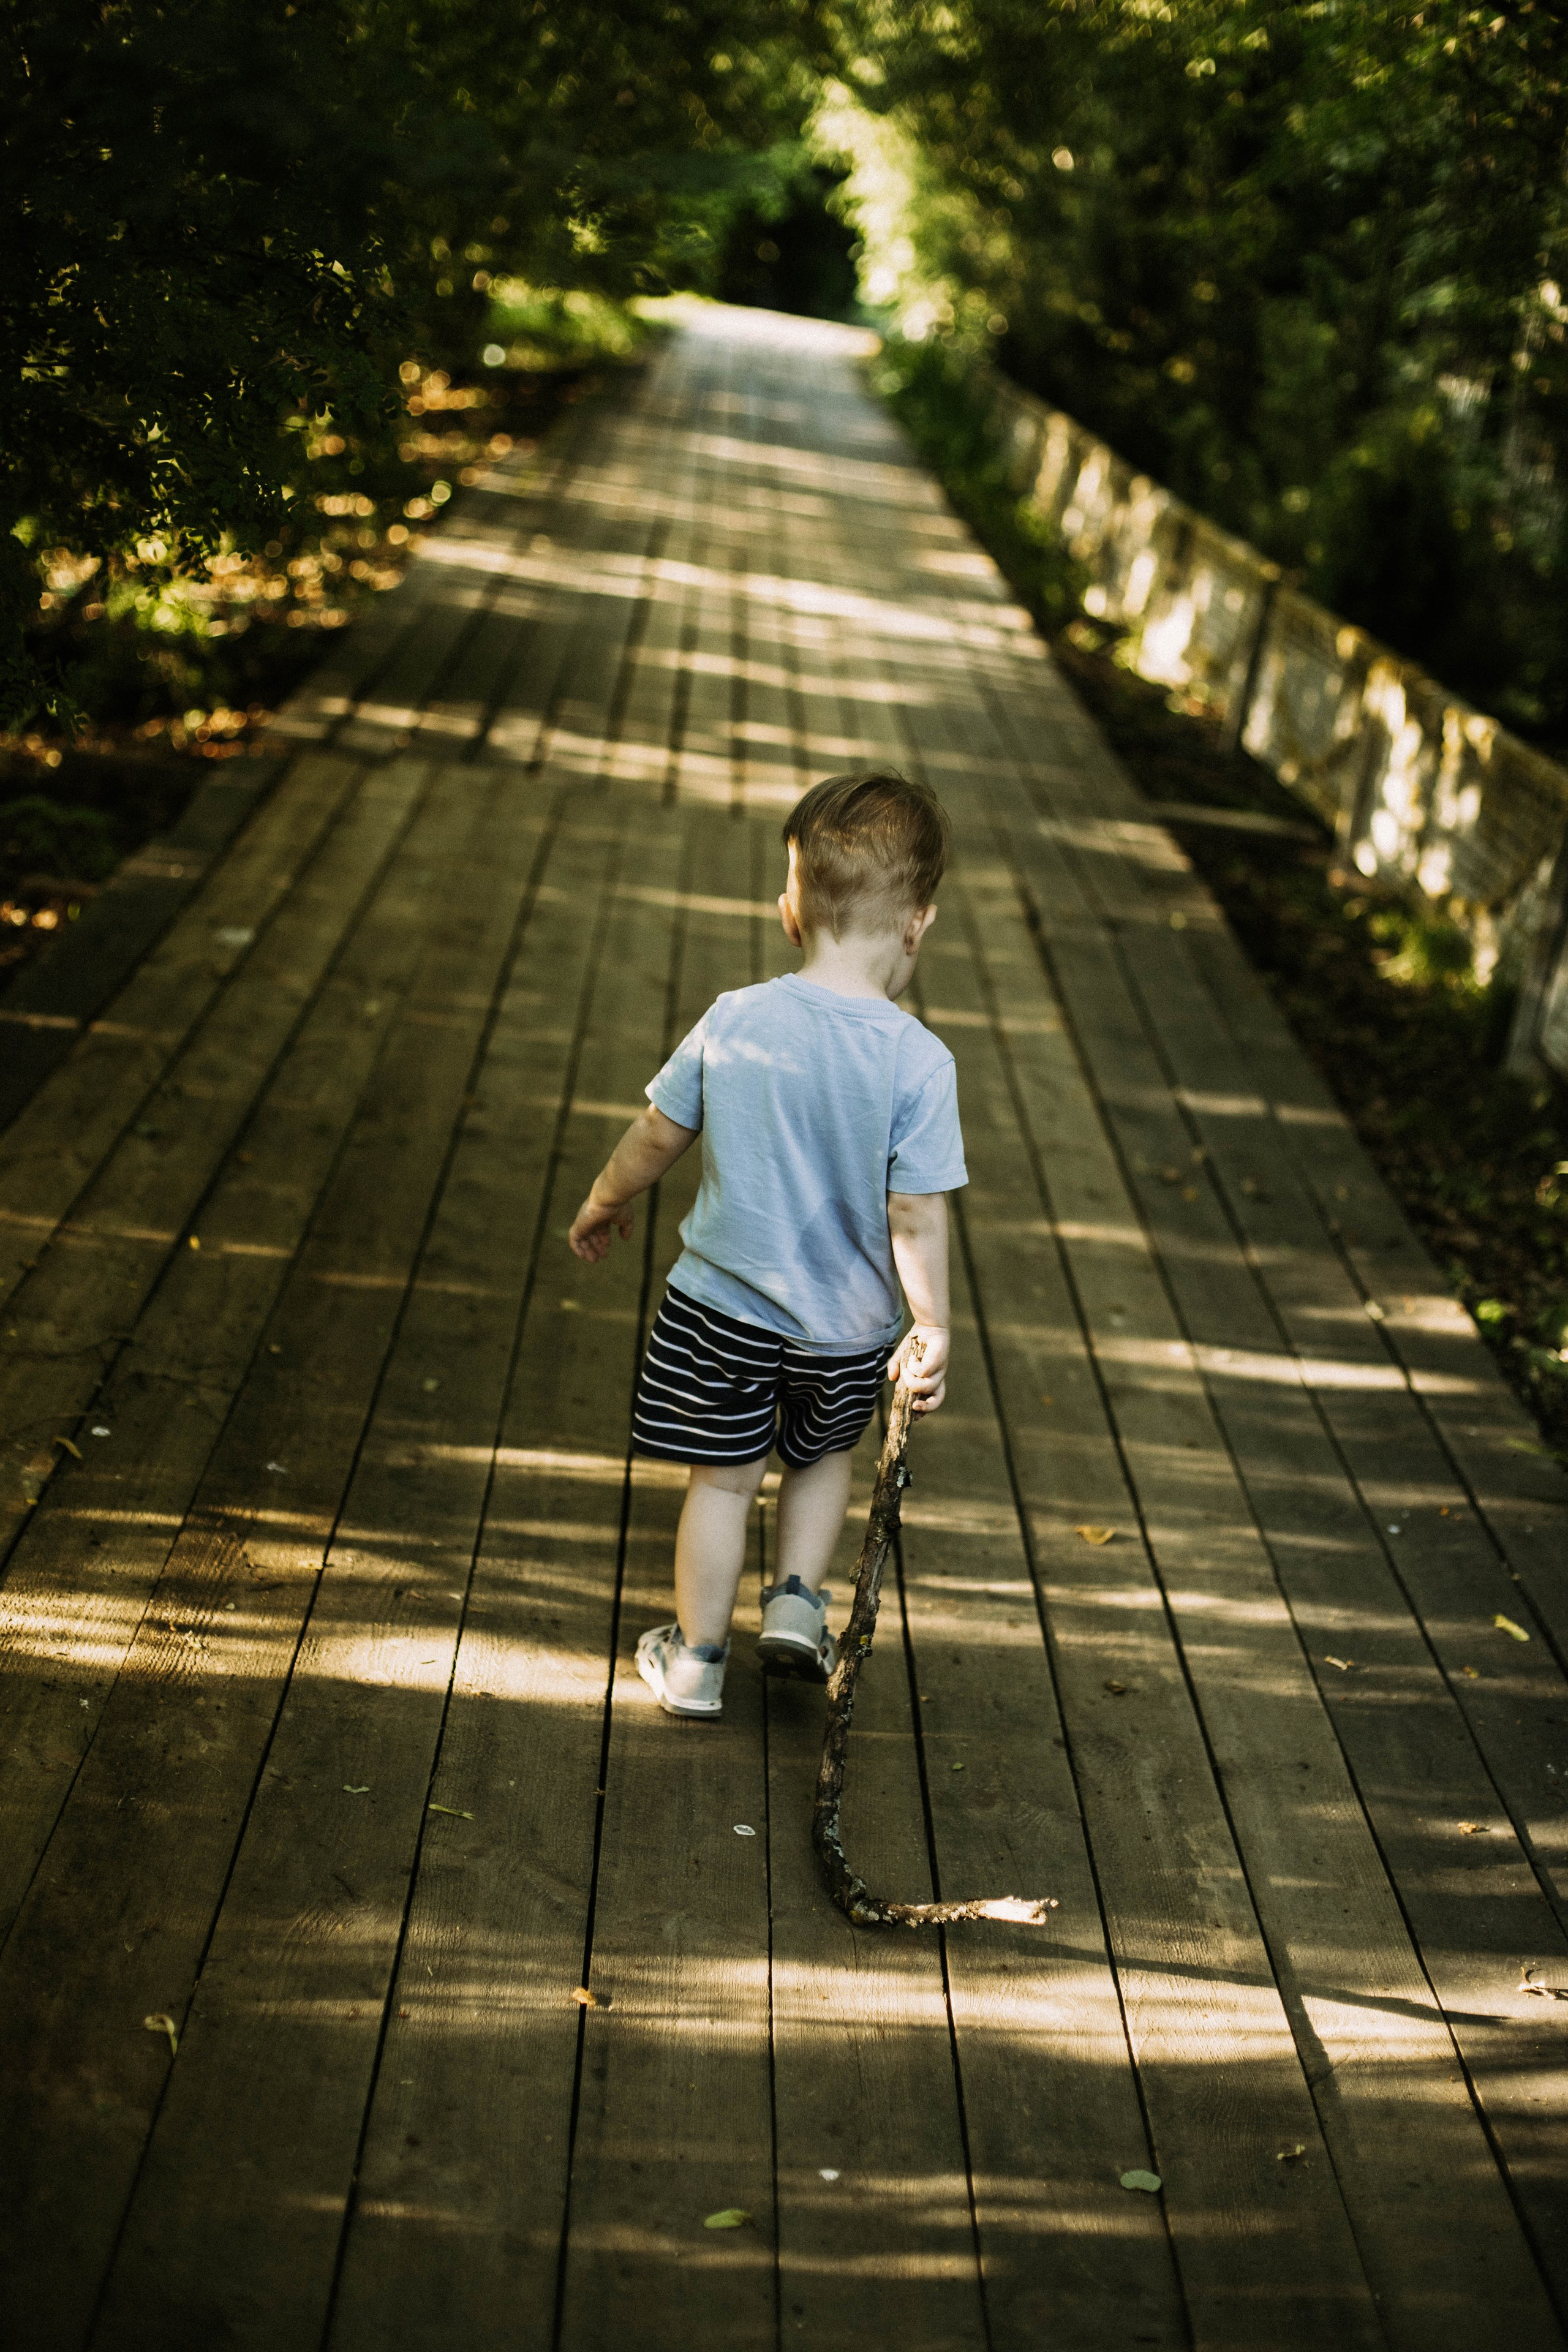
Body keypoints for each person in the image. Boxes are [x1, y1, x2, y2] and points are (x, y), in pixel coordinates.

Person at [567, 767, 967, 1719]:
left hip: (722, 1314)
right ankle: (795, 1603)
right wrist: (932, 1324)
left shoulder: (738, 1018)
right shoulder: (918, 1059)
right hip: (844, 1330)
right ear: (918, 924)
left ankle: (698, 1659)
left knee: (722, 1479)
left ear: (792, 911)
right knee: (820, 1461)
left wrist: (604, 1196)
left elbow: (659, 1132)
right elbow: (916, 1213)